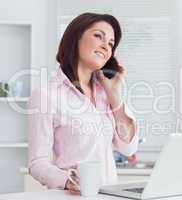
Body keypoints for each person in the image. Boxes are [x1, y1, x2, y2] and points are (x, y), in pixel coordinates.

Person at [28, 13, 138, 195]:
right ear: (75, 38)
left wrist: (115, 96)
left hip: (109, 196)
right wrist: (66, 180)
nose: (106, 46)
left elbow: (128, 147)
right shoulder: (47, 95)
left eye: (111, 43)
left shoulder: (105, 93)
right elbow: (36, 162)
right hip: (72, 195)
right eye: (98, 36)